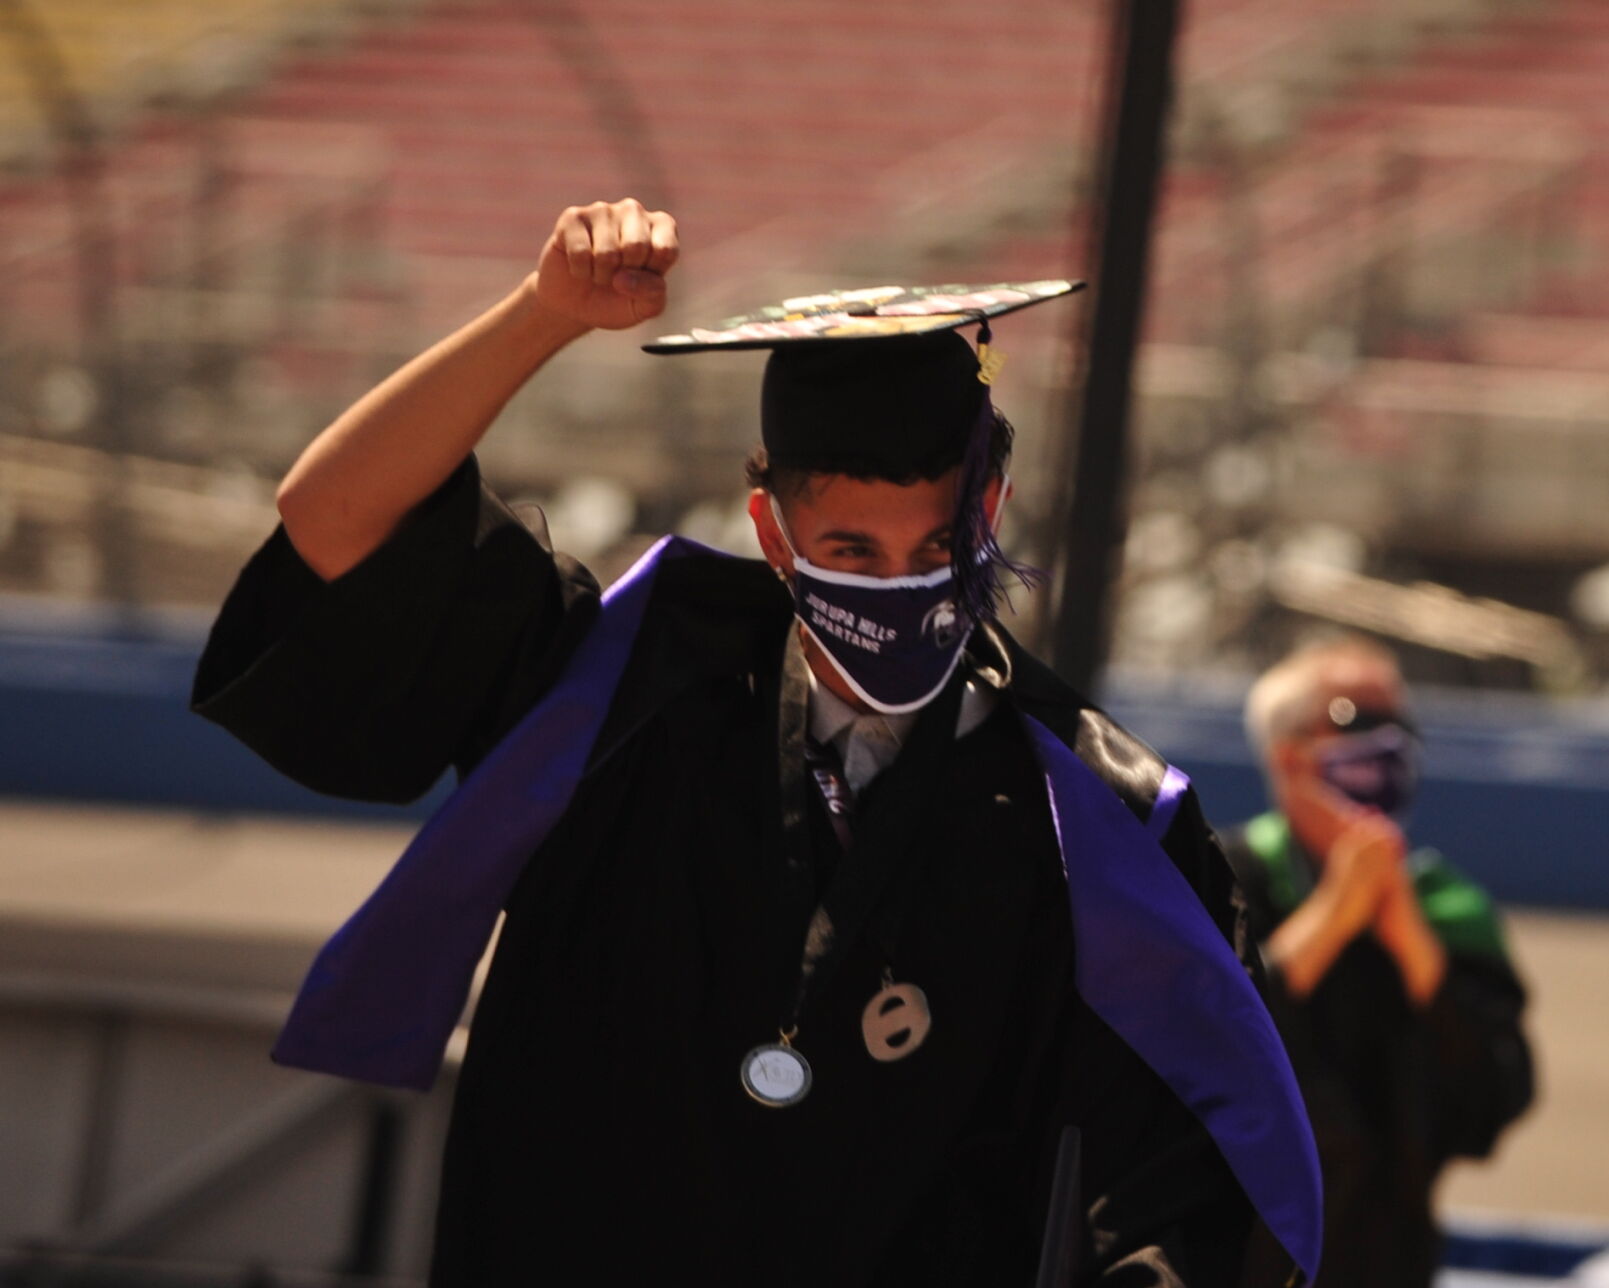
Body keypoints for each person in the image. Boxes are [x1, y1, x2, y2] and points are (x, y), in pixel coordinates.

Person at [192, 198, 1320, 1286]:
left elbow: (1185, 1179)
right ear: (769, 529)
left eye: (937, 542)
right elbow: (332, 519)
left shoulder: (1095, 828)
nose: (901, 586)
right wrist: (544, 313)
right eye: (851, 548)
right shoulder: (613, 697)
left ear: (992, 511)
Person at [1223, 635, 1534, 1288]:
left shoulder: (1443, 905)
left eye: (1398, 724)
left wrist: (1405, 933)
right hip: (1236, 1253)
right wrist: (1333, 914)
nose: (1384, 743)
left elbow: (1491, 1099)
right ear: (1288, 756)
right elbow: (1205, 1047)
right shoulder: (1220, 880)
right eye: (1353, 720)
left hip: (1388, 1260)